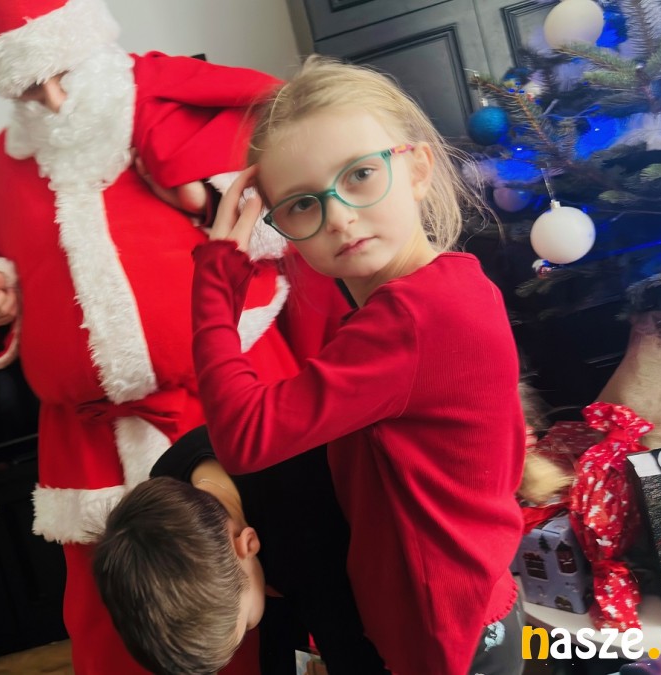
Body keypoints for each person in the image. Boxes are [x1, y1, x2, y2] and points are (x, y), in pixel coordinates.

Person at [0, 0, 337, 672]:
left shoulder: (164, 102)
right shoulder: (11, 158)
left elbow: (286, 200)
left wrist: (203, 198)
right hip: (92, 442)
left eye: (62, 72)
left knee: (279, 574)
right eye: (30, 87)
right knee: (118, 620)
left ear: (89, 44)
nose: (52, 99)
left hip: (224, 396)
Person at [191, 58, 527, 675]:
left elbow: (242, 436)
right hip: (469, 611)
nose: (340, 216)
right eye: (302, 204)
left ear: (418, 169)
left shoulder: (413, 319)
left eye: (361, 175)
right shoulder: (448, 288)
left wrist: (217, 277)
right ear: (280, 226)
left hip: (444, 640)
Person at [93, 426, 386, 675]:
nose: (246, 632)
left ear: (249, 543)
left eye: (244, 626)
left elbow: (350, 648)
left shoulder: (304, 534)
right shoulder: (166, 482)